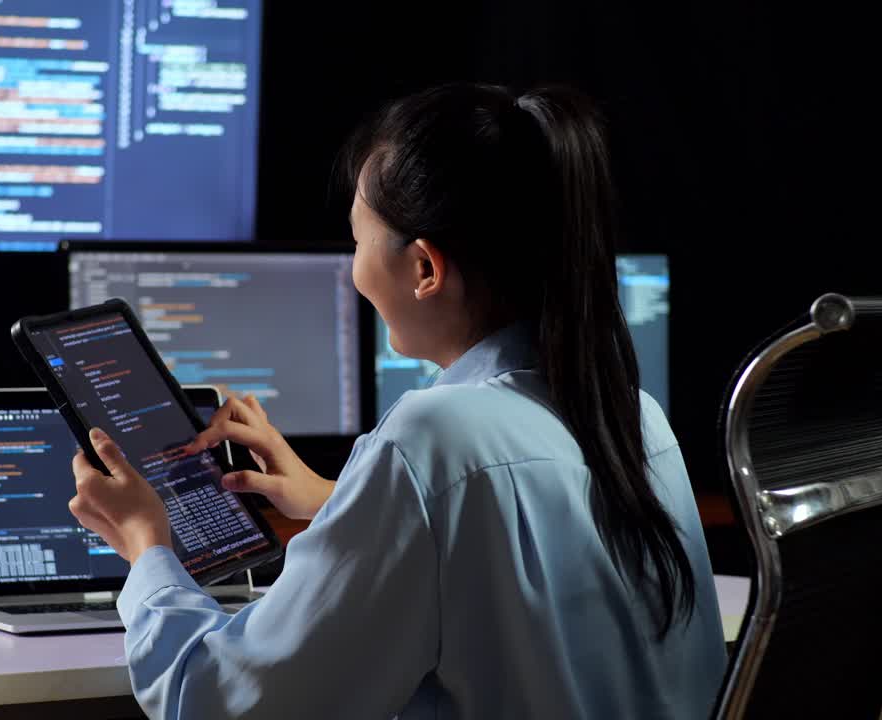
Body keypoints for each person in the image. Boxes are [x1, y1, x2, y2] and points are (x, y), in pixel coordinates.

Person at [67, 83, 727, 719]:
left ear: (424, 269)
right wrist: (338, 502)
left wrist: (147, 547)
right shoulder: (636, 417)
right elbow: (512, 552)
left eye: (358, 241)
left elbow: (222, 703)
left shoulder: (432, 438)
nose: (355, 269)